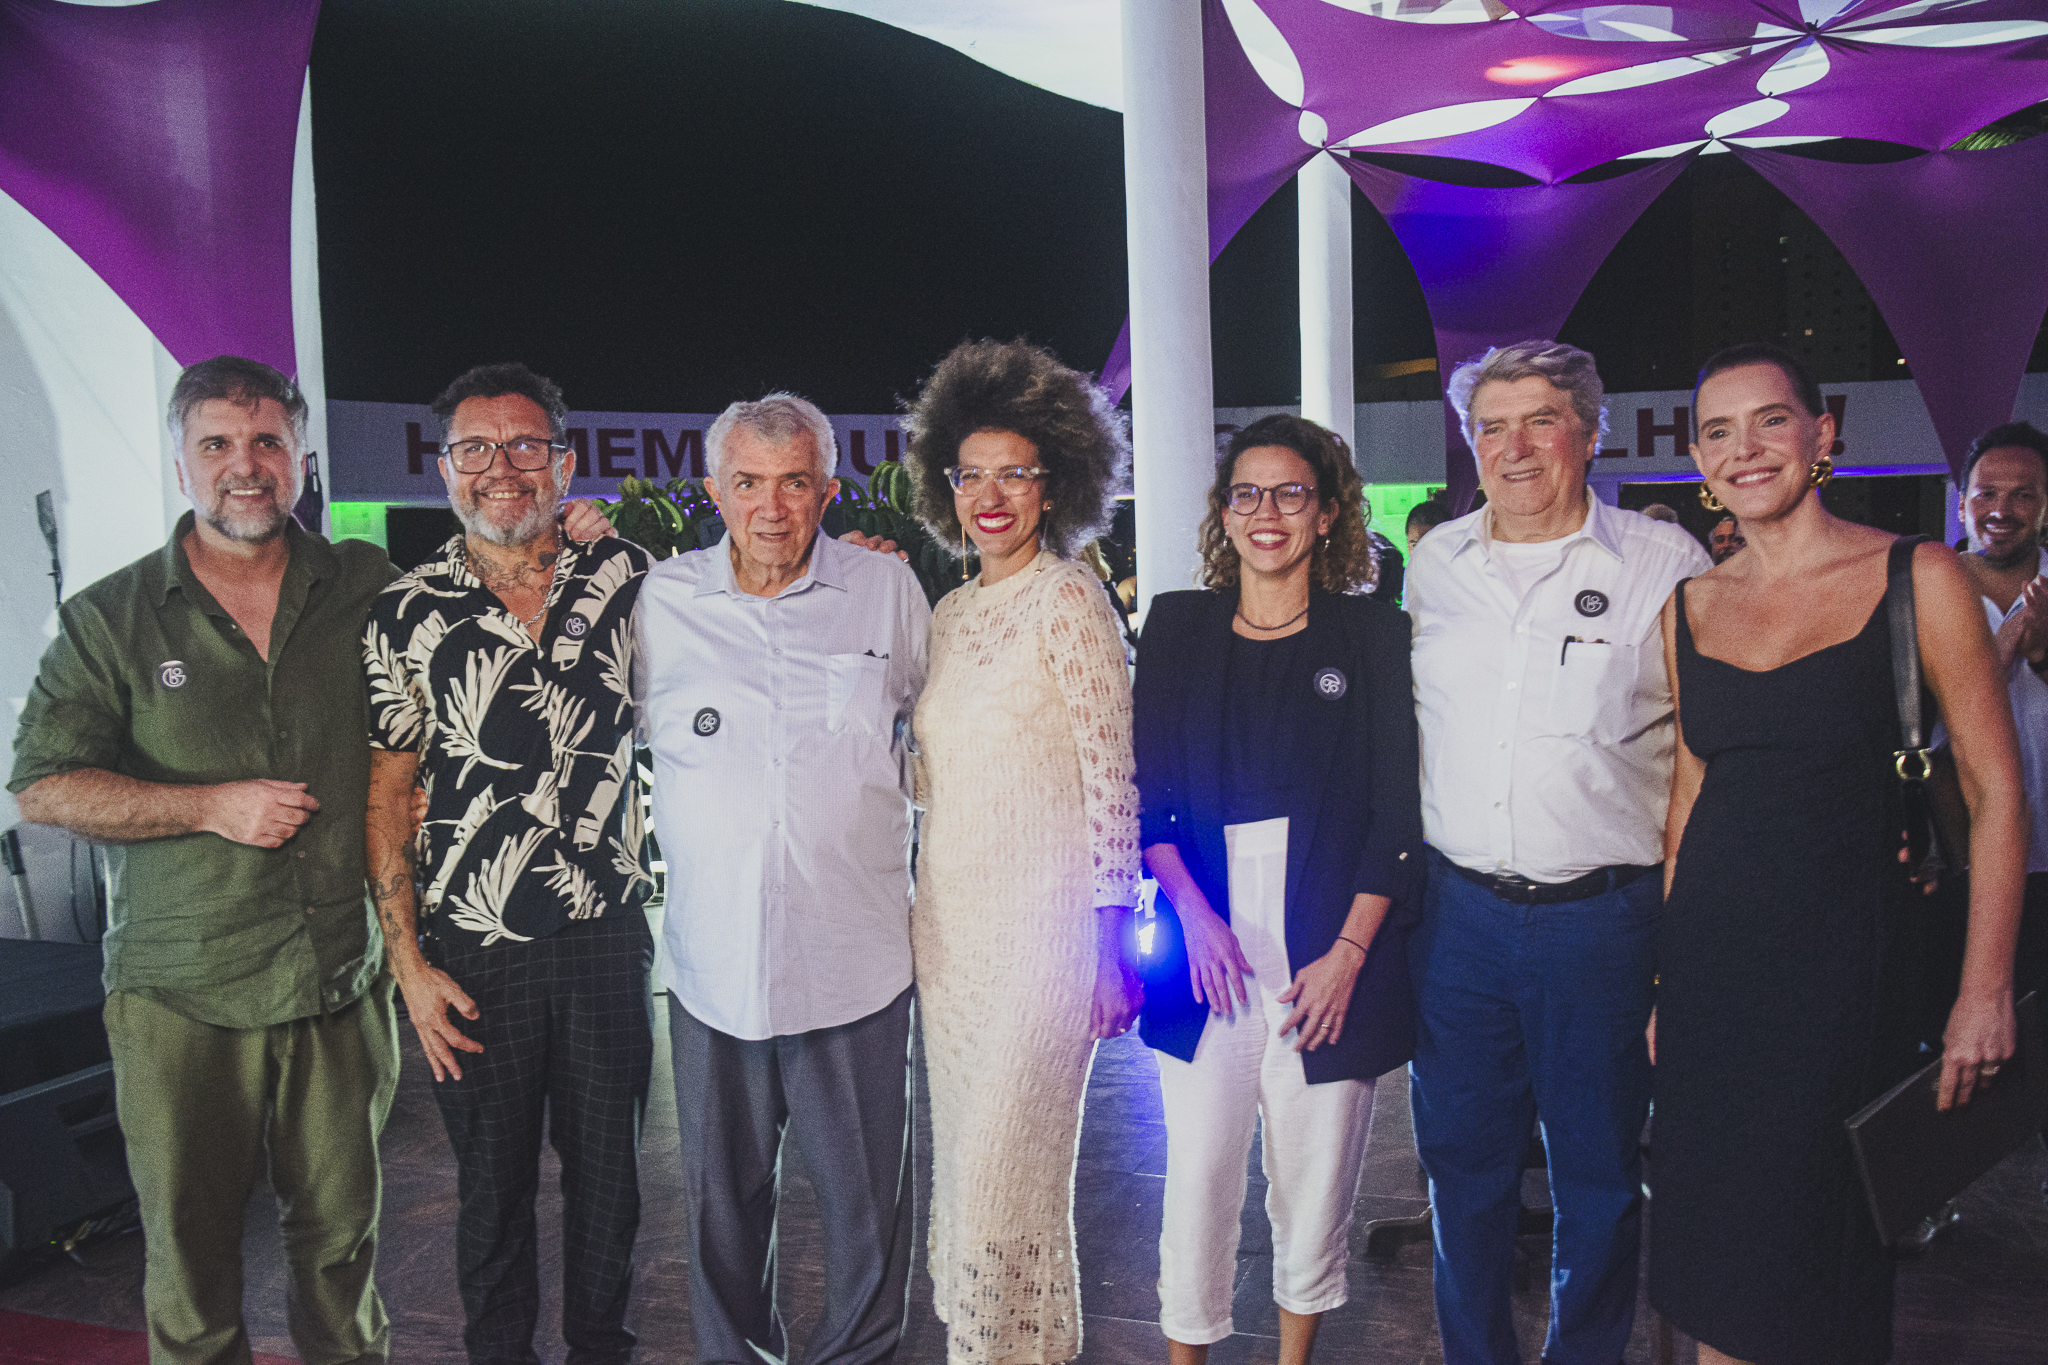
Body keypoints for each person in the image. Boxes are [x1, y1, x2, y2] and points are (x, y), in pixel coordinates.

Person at [9, 356, 402, 1364]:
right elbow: (44, 785)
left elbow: (486, 622)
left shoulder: (364, 584)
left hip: (336, 982)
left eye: (268, 442)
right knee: (191, 1266)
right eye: (218, 445)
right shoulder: (112, 616)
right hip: (183, 994)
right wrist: (207, 806)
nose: (246, 467)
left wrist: (572, 541)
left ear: (302, 459)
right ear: (182, 462)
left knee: (341, 1252)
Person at [1649, 343, 2023, 1365]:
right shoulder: (1688, 607)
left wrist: (1982, 989)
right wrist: (1658, 985)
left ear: (1823, 437)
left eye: (1770, 420)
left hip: (1841, 987)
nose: (1745, 448)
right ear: (1696, 458)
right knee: (1709, 1263)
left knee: (1810, 1270)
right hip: (1707, 986)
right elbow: (1686, 803)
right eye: (1718, 430)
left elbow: (1993, 796)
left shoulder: (1915, 575)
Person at [1405, 339, 1711, 1365]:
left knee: (1596, 1178)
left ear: (1588, 431)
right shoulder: (1433, 565)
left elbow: (1709, 753)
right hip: (1457, 924)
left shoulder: (1661, 563)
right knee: (1461, 1170)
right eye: (1490, 425)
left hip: (1602, 922)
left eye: (1539, 419)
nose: (1513, 445)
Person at [362, 362, 655, 1365]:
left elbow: (748, 621)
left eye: (525, 445)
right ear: (444, 468)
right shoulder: (407, 611)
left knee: (610, 1182)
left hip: (609, 933)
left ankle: (600, 1351)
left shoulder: (628, 578)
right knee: (491, 1189)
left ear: (561, 461)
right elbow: (388, 795)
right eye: (475, 449)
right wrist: (408, 965)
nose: (501, 467)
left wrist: (862, 558)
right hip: (477, 945)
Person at [637, 393, 928, 1365]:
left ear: (827, 490)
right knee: (720, 1215)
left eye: (793, 482)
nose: (770, 507)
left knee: (866, 1222)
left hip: (854, 966)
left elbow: (939, 722)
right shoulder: (658, 605)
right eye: (748, 483)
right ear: (715, 491)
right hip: (713, 971)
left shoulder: (885, 593)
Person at [1133, 414, 1422, 1364]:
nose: (1268, 512)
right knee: (1200, 1175)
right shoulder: (1176, 624)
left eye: (1291, 492)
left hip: (1330, 945)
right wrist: (1197, 920)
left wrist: (1347, 955)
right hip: (1205, 934)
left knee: (1314, 1177)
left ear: (1328, 511)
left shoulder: (1375, 632)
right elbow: (1155, 797)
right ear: (1224, 510)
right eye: (1248, 493)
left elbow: (1394, 811)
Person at [901, 338, 1142, 1364]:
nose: (990, 496)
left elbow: (1111, 786)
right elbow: (930, 776)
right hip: (949, 942)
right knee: (969, 1177)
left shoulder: (1070, 600)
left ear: (1054, 487)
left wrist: (1110, 944)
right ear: (944, 488)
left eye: (1014, 474)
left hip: (1045, 950)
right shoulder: (948, 614)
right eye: (971, 476)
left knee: (1007, 1177)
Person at [1953, 421, 2048, 1155]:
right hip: (1954, 858)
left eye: (2023, 495)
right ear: (1962, 502)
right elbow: (1923, 715)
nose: (2002, 507)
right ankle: (1928, 1190)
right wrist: (2013, 638)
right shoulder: (1928, 591)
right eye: (1987, 491)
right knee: (1942, 1028)